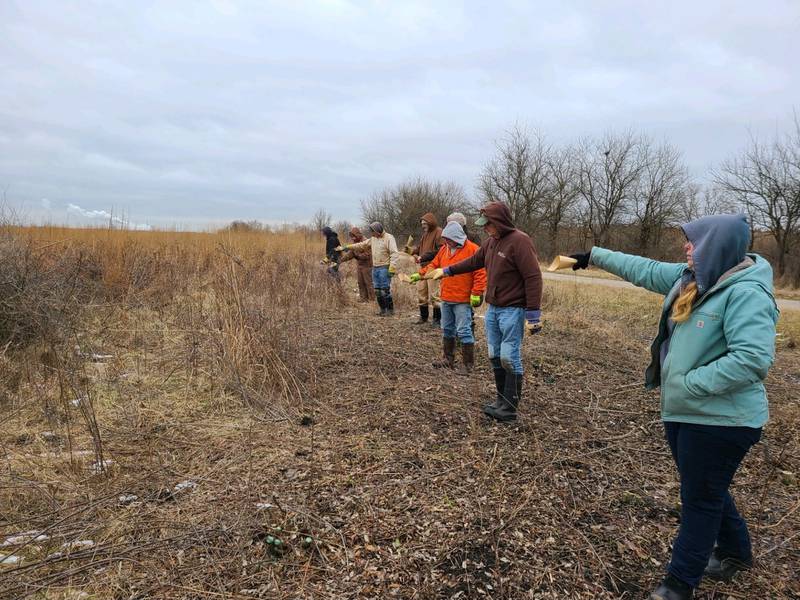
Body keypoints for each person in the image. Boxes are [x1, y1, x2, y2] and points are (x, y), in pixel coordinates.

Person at [568, 214, 779, 600]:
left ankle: (679, 585)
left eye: (694, 242)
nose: (686, 248)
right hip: (687, 411)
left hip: (722, 420)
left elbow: (752, 359)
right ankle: (735, 552)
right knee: (706, 487)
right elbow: (644, 269)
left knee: (700, 498)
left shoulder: (745, 292)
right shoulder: (692, 279)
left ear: (715, 247)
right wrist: (594, 255)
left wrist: (688, 383)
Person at [430, 201, 543, 422]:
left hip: (513, 309)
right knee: (494, 355)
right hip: (494, 309)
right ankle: (501, 400)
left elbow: (533, 277)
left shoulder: (520, 241)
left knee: (509, 357)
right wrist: (447, 270)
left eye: (488, 224)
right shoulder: (491, 242)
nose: (485, 228)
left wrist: (533, 315)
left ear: (499, 221)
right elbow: (473, 261)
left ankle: (509, 409)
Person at [412, 222, 486, 374]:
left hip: (463, 299)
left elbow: (480, 273)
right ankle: (448, 359)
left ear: (457, 237)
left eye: (449, 239)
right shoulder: (444, 249)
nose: (447, 242)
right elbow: (433, 265)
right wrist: (420, 275)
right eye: (445, 239)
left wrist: (476, 293)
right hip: (446, 297)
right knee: (447, 328)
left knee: (464, 330)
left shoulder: (473, 249)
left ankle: (468, 365)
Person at [338, 222, 398, 316]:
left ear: (378, 230)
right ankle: (382, 310)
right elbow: (361, 244)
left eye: (373, 232)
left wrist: (392, 267)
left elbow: (394, 253)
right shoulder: (372, 239)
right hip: (375, 267)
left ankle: (390, 310)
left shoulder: (389, 238)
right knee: (378, 290)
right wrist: (347, 247)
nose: (371, 234)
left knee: (385, 290)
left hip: (384, 267)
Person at [411, 213, 444, 326]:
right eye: (422, 224)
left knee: (435, 295)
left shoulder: (439, 232)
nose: (423, 226)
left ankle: (437, 320)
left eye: (425, 223)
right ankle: (423, 317)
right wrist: (412, 251)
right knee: (421, 293)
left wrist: (423, 257)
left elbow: (440, 251)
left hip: (434, 268)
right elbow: (420, 248)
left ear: (431, 223)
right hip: (423, 267)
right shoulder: (425, 234)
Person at [339, 226, 375, 302]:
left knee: (368, 283)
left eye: (353, 236)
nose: (352, 238)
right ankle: (363, 299)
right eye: (351, 237)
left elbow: (367, 255)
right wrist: (340, 260)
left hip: (367, 266)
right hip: (360, 266)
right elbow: (349, 254)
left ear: (357, 235)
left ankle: (372, 300)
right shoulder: (354, 243)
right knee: (360, 283)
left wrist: (357, 256)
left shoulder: (365, 242)